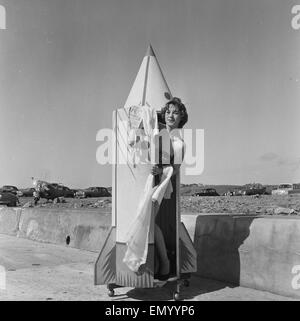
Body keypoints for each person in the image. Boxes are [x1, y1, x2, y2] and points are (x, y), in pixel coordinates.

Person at [151, 97, 188, 280]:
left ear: (181, 117)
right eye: (168, 112)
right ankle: (162, 260)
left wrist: (161, 169)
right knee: (148, 223)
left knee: (149, 223)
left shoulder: (179, 142)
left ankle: (164, 261)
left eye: (175, 112)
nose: (170, 115)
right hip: (150, 181)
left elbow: (177, 169)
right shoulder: (160, 133)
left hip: (162, 183)